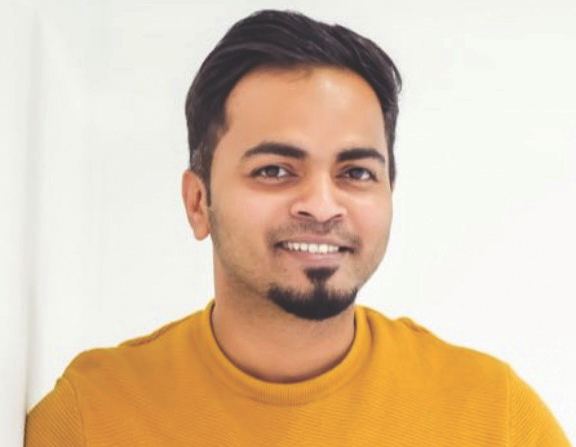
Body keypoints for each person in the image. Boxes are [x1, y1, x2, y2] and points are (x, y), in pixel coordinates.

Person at [25, 9, 571, 446]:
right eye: (274, 170)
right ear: (198, 202)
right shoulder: (90, 418)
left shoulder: (495, 418)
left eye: (355, 172)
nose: (322, 205)